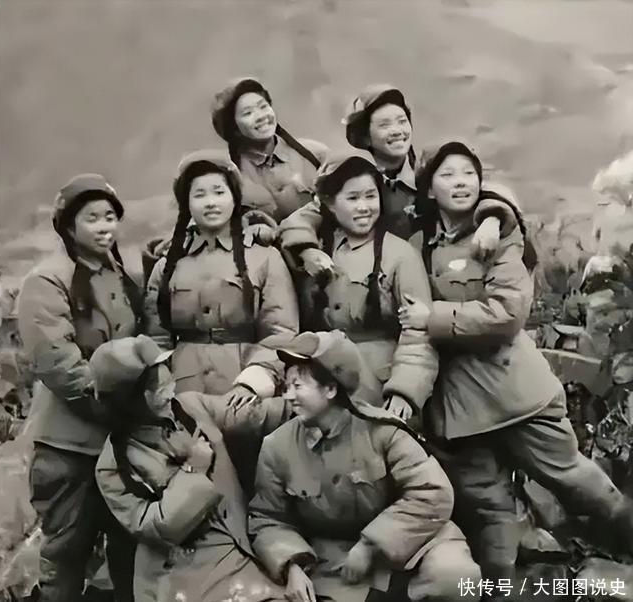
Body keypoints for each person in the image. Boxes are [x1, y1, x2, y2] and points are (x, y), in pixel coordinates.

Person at [399, 141, 633, 595]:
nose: (461, 182)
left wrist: (435, 318)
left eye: (468, 173)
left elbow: (507, 314)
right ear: (428, 189)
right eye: (448, 174)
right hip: (457, 407)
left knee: (575, 479)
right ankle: (502, 589)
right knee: (489, 512)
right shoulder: (414, 247)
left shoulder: (499, 234)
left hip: (516, 390)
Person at [249, 330, 480, 602]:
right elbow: (267, 518)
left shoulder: (383, 432)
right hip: (335, 560)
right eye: (287, 387)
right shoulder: (277, 447)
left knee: (456, 578)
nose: (288, 396)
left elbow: (432, 493)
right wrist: (292, 566)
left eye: (298, 386)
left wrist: (371, 544)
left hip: (414, 543)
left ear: (331, 389)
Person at [144, 150, 299, 494]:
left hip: (242, 385)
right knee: (190, 483)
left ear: (234, 197)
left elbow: (281, 331)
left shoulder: (264, 257)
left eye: (219, 191)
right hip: (184, 387)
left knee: (251, 479)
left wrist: (253, 382)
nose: (211, 202)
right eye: (199, 194)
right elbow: (155, 338)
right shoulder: (168, 264)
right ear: (186, 203)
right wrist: (162, 389)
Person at [93, 335, 291, 602]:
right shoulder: (115, 465)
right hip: (184, 574)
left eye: (169, 383)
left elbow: (248, 415)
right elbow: (159, 529)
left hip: (239, 543)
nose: (169, 393)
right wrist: (194, 470)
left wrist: (304, 405)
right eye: (158, 391)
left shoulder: (189, 407)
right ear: (130, 401)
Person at [17, 174, 138, 601]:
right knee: (67, 550)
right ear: (69, 226)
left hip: (118, 442)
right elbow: (59, 363)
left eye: (110, 217)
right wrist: (114, 409)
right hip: (68, 445)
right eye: (92, 218)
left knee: (128, 552)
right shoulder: (47, 280)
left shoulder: (120, 276)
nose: (105, 227)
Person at [278, 84, 518, 277]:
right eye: (384, 125)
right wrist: (307, 250)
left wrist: (492, 219)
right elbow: (300, 220)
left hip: (424, 283)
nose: (397, 130)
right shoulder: (352, 180)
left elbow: (485, 190)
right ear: (365, 136)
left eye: (402, 121)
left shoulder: (427, 174)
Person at [294, 150, 438, 419]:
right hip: (323, 383)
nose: (363, 207)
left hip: (379, 385)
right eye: (352, 198)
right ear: (330, 203)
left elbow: (419, 334)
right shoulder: (319, 250)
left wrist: (404, 391)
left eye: (370, 196)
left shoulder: (401, 255)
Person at [211, 77, 329, 223]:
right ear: (234, 128)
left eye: (263, 106)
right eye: (248, 113)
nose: (261, 116)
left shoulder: (316, 154)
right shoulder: (228, 173)